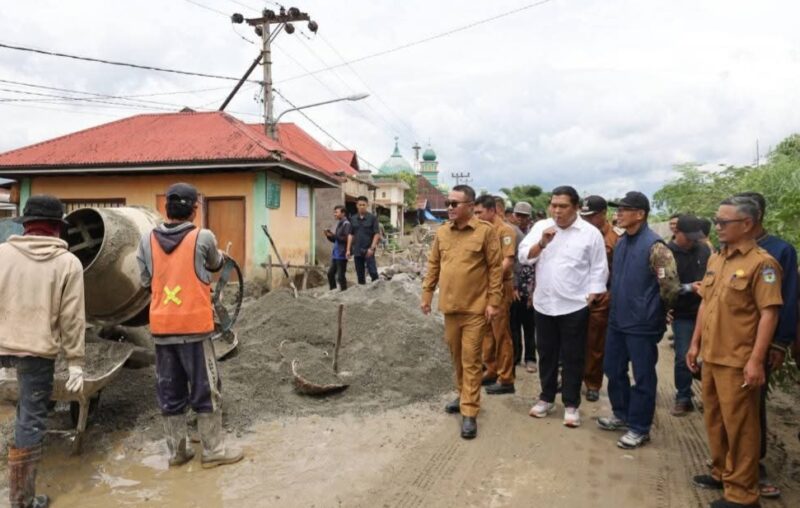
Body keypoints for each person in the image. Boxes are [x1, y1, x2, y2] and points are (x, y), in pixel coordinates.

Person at [137, 183, 243, 469]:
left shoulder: (146, 240)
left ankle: (177, 452)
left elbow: (145, 281)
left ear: (166, 209)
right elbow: (216, 263)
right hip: (194, 329)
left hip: (161, 330)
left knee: (170, 391)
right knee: (206, 389)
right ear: (194, 210)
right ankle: (212, 450)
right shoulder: (203, 237)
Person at [687, 195, 782, 508]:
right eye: (717, 221)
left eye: (723, 222)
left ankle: (742, 493)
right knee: (715, 419)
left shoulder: (762, 264)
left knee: (741, 426)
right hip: (712, 356)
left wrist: (756, 361)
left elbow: (769, 313)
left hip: (737, 360)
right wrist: (695, 343)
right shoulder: (719, 258)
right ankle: (721, 472)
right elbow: (706, 303)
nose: (717, 226)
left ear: (747, 224)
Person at [0, 195, 85, 508]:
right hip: (36, 354)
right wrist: (76, 362)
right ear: (56, 229)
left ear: (26, 226)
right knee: (30, 419)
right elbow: (72, 319)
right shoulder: (68, 263)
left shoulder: (1, 254)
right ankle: (22, 500)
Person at [518, 186, 608, 428]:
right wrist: (542, 243)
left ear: (576, 207)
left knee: (573, 356)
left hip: (574, 306)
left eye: (563, 206)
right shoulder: (541, 227)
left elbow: (599, 268)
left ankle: (571, 404)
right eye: (554, 205)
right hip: (544, 303)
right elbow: (524, 255)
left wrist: (592, 294)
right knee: (546, 353)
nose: (557, 211)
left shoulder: (590, 233)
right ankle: (546, 398)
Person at [598, 191, 679, 449]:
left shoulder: (656, 247)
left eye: (624, 209)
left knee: (643, 376)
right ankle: (621, 414)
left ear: (640, 214)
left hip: (642, 324)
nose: (618, 214)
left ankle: (639, 427)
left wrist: (659, 311)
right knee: (613, 369)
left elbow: (670, 285)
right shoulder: (621, 243)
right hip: (618, 320)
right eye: (617, 209)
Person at [421, 185, 503, 439]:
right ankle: (464, 394)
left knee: (470, 358)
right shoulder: (442, 233)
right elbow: (434, 264)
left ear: (470, 206)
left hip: (476, 309)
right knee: (457, 357)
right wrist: (426, 295)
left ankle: (469, 411)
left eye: (455, 203)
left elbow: (495, 269)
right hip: (450, 307)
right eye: (448, 203)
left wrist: (493, 302)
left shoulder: (485, 232)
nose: (450, 208)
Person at [735, 191, 798, 499]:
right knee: (726, 405)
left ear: (752, 218)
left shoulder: (778, 252)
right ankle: (729, 464)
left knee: (751, 405)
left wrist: (778, 344)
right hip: (728, 343)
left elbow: (783, 304)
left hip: (758, 344)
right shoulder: (727, 250)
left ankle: (752, 468)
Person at [667, 215, 711, 416]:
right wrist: (689, 288)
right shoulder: (666, 253)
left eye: (697, 237)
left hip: (708, 310)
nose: (694, 240)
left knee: (712, 356)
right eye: (690, 237)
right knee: (684, 354)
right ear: (678, 232)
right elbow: (665, 286)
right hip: (683, 313)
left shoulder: (704, 249)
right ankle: (683, 396)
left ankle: (711, 397)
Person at [579, 195, 621, 403]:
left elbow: (619, 271)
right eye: (584, 216)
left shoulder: (616, 238)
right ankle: (571, 378)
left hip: (601, 298)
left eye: (591, 216)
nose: (586, 220)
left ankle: (593, 383)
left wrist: (608, 294)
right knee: (571, 342)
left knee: (595, 345)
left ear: (603, 215)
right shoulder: (578, 233)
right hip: (576, 296)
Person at [474, 195, 517, 395]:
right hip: (484, 287)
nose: (476, 216)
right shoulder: (483, 231)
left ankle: (506, 378)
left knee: (501, 334)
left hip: (500, 286)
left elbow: (508, 260)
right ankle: (491, 370)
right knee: (487, 333)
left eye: (479, 212)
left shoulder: (505, 230)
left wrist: (493, 280)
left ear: (492, 211)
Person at [510, 201, 537, 372]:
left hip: (530, 286)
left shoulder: (535, 234)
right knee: (513, 323)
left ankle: (530, 358)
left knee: (529, 324)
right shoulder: (510, 233)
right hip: (514, 285)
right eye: (518, 215)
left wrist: (534, 290)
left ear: (529, 218)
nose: (520, 219)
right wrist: (512, 286)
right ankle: (515, 357)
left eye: (524, 216)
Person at [348, 196, 380, 284]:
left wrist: (372, 248)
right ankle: (362, 294)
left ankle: (377, 291)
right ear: (357, 205)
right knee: (360, 274)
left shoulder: (372, 218)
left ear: (367, 205)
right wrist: (348, 250)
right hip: (357, 250)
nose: (362, 206)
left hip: (368, 249)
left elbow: (376, 234)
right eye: (360, 205)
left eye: (363, 205)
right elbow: (351, 234)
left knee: (373, 272)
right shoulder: (353, 219)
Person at [325, 205, 351, 291]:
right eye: (334, 212)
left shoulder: (346, 224)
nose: (334, 214)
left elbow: (346, 239)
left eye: (336, 212)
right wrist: (329, 236)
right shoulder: (340, 223)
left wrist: (334, 235)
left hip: (342, 254)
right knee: (330, 274)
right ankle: (333, 291)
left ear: (343, 213)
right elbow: (336, 240)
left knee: (340, 276)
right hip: (336, 254)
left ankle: (344, 292)